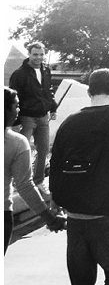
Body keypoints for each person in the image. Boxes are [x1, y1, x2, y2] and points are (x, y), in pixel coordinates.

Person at [49, 68, 109, 285]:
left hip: (75, 216)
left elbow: (55, 164)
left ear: (89, 90)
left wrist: (55, 201)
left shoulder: (69, 123)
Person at [4, 87, 66, 253]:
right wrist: (49, 218)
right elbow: (24, 185)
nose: (18, 110)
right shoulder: (16, 143)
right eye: (16, 105)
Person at [9, 41, 57, 194]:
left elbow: (49, 91)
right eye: (35, 54)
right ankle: (18, 182)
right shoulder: (19, 74)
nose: (39, 57)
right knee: (22, 150)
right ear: (29, 54)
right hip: (26, 117)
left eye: (41, 54)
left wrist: (53, 107)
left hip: (43, 116)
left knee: (43, 150)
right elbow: (13, 97)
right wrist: (14, 121)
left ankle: (39, 181)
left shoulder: (46, 70)